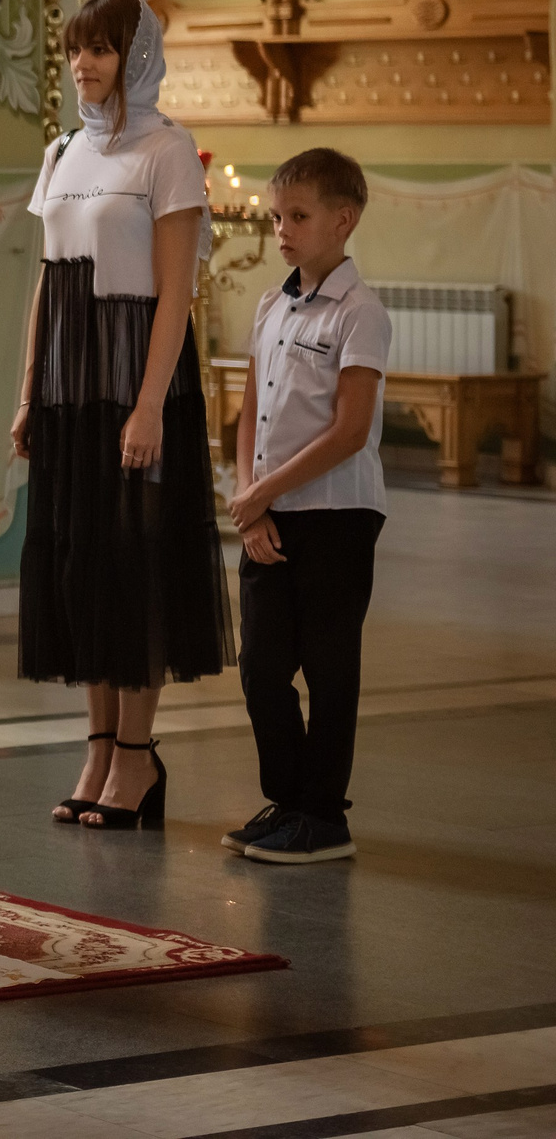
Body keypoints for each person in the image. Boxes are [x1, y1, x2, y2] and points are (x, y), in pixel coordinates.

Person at [13, 0, 226, 831]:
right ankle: (98, 745)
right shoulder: (63, 149)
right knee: (79, 570)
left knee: (136, 572)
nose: (83, 62)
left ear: (134, 56)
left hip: (140, 394)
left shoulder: (166, 151)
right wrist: (32, 393)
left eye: (100, 48)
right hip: (71, 398)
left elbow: (175, 295)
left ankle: (137, 758)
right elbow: (47, 282)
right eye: (76, 48)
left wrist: (148, 408)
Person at [223, 148, 389, 866]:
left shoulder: (361, 313)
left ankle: (324, 815)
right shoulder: (270, 303)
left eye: (298, 216)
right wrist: (251, 502)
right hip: (272, 513)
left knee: (328, 668)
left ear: (342, 220)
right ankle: (290, 800)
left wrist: (265, 491)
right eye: (277, 216)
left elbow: (349, 431)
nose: (282, 229)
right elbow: (251, 409)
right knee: (261, 667)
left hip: (335, 516)